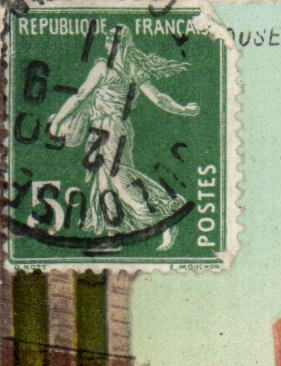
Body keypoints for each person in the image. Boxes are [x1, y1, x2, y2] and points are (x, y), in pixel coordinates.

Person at [45, 24, 199, 251]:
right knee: (104, 182)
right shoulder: (131, 68)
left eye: (113, 41)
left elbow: (80, 96)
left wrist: (57, 121)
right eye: (108, 41)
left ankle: (166, 215)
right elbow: (159, 98)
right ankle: (113, 237)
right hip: (106, 129)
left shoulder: (104, 68)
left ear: (122, 44)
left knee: (119, 179)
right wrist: (182, 109)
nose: (109, 45)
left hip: (110, 129)